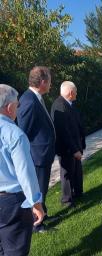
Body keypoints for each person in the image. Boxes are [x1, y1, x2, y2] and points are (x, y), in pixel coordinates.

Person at [0, 84, 45, 255]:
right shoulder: (14, 134)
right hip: (12, 203)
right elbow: (25, 174)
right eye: (17, 105)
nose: (18, 109)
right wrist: (36, 203)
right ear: (10, 107)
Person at [17, 66, 56, 232]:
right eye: (49, 81)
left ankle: (43, 214)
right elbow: (22, 132)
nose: (51, 85)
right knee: (37, 190)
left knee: (43, 188)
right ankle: (36, 224)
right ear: (42, 82)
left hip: (43, 154)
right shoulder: (29, 101)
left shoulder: (36, 98)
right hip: (37, 156)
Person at [51, 81, 85, 207]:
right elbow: (64, 132)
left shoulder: (69, 104)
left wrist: (80, 145)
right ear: (71, 92)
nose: (76, 94)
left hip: (75, 146)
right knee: (67, 174)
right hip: (67, 149)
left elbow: (75, 125)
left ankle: (78, 193)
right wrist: (74, 149)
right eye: (75, 91)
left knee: (76, 171)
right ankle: (67, 200)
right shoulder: (59, 105)